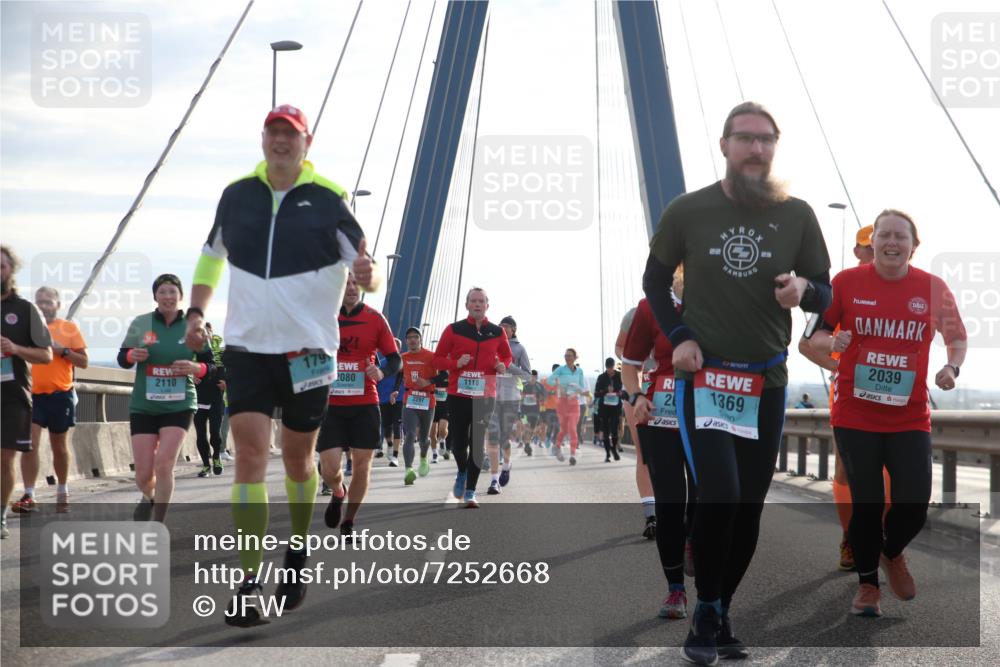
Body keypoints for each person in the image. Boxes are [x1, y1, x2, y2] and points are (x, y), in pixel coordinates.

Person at [642, 101, 832, 665]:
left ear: (775, 147)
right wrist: (678, 335)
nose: (756, 148)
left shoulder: (797, 214)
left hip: (766, 380)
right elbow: (654, 281)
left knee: (749, 506)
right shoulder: (688, 211)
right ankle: (704, 609)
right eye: (745, 138)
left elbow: (826, 292)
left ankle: (721, 607)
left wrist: (805, 291)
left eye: (765, 139)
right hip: (704, 376)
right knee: (720, 492)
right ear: (724, 145)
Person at [184, 103, 381, 626]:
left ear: (306, 143)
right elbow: (211, 257)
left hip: (309, 351)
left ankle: (296, 551)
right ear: (263, 139)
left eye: (290, 134)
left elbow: (368, 269)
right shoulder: (237, 195)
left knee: (298, 460)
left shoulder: (328, 198)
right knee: (249, 455)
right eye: (273, 132)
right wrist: (197, 311)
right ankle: (249, 584)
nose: (281, 141)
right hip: (247, 347)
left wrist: (368, 272)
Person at [811, 209, 967, 617]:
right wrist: (834, 340)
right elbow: (815, 335)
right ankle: (867, 586)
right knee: (867, 501)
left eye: (901, 236)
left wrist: (951, 367)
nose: (892, 242)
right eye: (885, 235)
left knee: (915, 502)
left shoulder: (933, 288)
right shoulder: (845, 282)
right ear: (873, 242)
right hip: (855, 413)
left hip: (909, 415)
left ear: (914, 245)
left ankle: (891, 550)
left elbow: (956, 338)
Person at [800, 223, 890, 572]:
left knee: (891, 473)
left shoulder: (910, 286)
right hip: (851, 395)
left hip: (895, 397)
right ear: (858, 251)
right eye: (871, 246)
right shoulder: (842, 288)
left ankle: (883, 539)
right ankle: (851, 537)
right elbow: (806, 343)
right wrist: (838, 367)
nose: (879, 251)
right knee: (846, 470)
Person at [622, 293, 697, 621]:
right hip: (660, 414)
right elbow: (628, 363)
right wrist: (636, 395)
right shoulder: (649, 306)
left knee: (705, 500)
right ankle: (675, 589)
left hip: (706, 414)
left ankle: (692, 542)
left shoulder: (721, 294)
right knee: (669, 504)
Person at [119, 274, 214, 522]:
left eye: (172, 292)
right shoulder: (141, 323)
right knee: (142, 475)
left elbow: (211, 365)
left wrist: (195, 369)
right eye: (162, 292)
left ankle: (158, 522)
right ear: (155, 297)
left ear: (180, 296)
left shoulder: (193, 327)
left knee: (164, 464)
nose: (168, 297)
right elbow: (122, 357)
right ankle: (149, 496)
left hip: (180, 404)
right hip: (144, 405)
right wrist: (132, 356)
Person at [317, 273, 399, 535]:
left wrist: (382, 372)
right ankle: (338, 491)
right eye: (346, 284)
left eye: (355, 284)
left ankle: (349, 520)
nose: (351, 289)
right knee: (329, 468)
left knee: (363, 465)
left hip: (365, 402)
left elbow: (395, 358)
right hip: (332, 405)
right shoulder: (324, 318)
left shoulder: (375, 319)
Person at [11, 287, 87, 515]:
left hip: (60, 395)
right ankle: (30, 494)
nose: (43, 306)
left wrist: (60, 350)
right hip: (32, 395)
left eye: (48, 302)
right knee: (30, 445)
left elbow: (83, 361)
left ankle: (62, 491)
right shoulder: (27, 330)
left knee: (59, 446)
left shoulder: (69, 328)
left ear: (58, 304)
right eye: (39, 302)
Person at [433, 287, 512, 508]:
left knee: (477, 443)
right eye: (473, 301)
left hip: (485, 396)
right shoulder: (453, 330)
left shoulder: (497, 332)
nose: (477, 304)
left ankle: (470, 492)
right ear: (467, 305)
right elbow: (437, 359)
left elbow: (506, 355)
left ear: (488, 305)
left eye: (481, 301)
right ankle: (461, 470)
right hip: (458, 394)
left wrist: (501, 365)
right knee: (458, 443)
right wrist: (454, 364)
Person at [1, 246, 52, 539]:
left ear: (11, 270)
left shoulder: (25, 310)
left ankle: (0, 517)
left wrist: (15, 349)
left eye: (2, 266)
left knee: (3, 458)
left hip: (12, 396)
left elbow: (46, 355)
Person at [617, 305, 659, 540]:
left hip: (672, 387)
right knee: (644, 451)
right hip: (637, 388)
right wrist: (635, 358)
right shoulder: (635, 314)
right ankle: (651, 515)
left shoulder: (692, 307)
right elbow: (619, 346)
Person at [488, 315, 531, 492]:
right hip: (491, 396)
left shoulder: (519, 349)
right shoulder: (490, 345)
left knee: (504, 437)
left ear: (513, 330)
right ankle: (494, 480)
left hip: (511, 397)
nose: (503, 328)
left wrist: (507, 365)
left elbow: (527, 376)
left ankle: (506, 464)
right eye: (501, 325)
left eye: (506, 326)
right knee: (493, 436)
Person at [399, 326, 443, 485]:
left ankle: (424, 458)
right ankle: (408, 470)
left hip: (428, 400)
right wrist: (393, 391)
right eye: (409, 337)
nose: (412, 340)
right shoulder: (403, 357)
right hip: (409, 399)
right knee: (410, 435)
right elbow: (397, 375)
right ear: (406, 341)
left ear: (420, 339)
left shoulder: (432, 356)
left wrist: (429, 382)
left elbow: (444, 376)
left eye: (415, 337)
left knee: (424, 438)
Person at [194, 322, 226, 477]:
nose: (206, 336)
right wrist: (191, 376)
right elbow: (182, 367)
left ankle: (216, 457)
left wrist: (227, 382)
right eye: (203, 333)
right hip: (198, 397)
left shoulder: (219, 350)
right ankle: (206, 465)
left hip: (216, 397)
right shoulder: (192, 350)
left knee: (215, 432)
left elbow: (231, 369)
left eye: (208, 332)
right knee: (200, 434)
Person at [548, 349, 588, 465]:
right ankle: (557, 445)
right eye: (565, 356)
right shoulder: (560, 369)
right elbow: (550, 380)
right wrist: (558, 385)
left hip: (574, 403)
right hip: (562, 404)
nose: (567, 358)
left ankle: (572, 455)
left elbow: (581, 387)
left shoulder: (579, 371)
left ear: (575, 357)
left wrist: (576, 393)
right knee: (564, 429)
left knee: (572, 428)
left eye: (570, 356)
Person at [377, 341, 405, 466]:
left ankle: (395, 456)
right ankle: (389, 444)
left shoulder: (402, 363)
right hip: (383, 400)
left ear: (399, 348)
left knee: (397, 426)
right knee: (386, 427)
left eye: (396, 346)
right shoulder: (380, 364)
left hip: (398, 399)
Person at [595, 357, 624, 462]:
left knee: (615, 430)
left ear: (614, 366)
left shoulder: (620, 376)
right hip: (604, 408)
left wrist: (619, 392)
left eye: (611, 367)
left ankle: (614, 448)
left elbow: (624, 390)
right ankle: (607, 454)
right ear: (606, 367)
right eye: (608, 368)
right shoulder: (601, 377)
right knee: (606, 431)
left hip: (616, 407)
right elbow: (596, 393)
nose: (610, 370)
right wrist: (606, 390)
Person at [519, 370, 547, 454]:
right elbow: (518, 395)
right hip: (524, 410)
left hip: (535, 411)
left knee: (532, 428)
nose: (532, 379)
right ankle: (527, 444)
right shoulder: (524, 385)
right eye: (531, 377)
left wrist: (538, 399)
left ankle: (527, 441)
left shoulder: (540, 386)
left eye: (534, 377)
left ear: (536, 377)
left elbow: (544, 398)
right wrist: (522, 397)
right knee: (526, 426)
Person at [431, 370, 450, 461]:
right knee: (432, 432)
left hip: (446, 405)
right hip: (433, 404)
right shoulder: (431, 372)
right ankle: (434, 454)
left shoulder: (448, 372)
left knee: (442, 429)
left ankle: (442, 440)